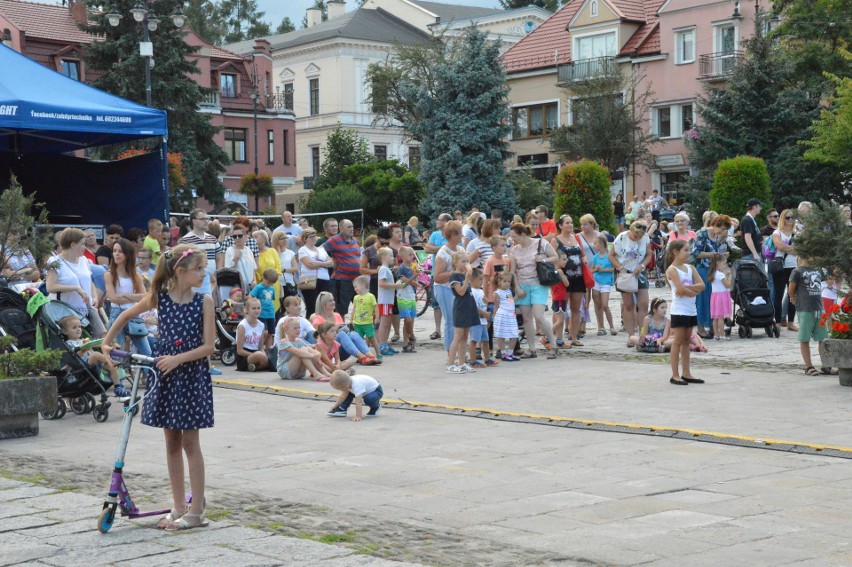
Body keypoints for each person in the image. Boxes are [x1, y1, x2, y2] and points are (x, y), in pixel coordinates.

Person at [101, 245, 215, 531]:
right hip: (166, 375)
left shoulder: (204, 301)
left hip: (189, 376)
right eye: (198, 269)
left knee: (191, 442)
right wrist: (107, 341)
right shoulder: (159, 299)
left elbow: (209, 346)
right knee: (172, 443)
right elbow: (125, 315)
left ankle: (197, 509)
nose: (203, 274)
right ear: (180, 271)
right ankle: (178, 506)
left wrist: (178, 359)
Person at [509, 223, 558, 359]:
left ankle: (553, 345)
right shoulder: (514, 250)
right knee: (526, 319)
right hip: (523, 285)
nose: (513, 240)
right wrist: (517, 288)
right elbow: (513, 271)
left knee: (539, 316)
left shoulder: (540, 243)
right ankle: (532, 349)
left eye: (514, 237)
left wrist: (542, 259)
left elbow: (555, 257)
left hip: (538, 284)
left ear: (523, 235)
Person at [45, 228, 107, 338]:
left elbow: (89, 282)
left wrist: (94, 297)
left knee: (96, 341)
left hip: (85, 312)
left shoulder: (83, 260)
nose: (85, 247)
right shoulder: (54, 261)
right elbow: (50, 287)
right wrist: (76, 288)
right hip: (66, 314)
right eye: (82, 244)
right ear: (73, 245)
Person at [57, 314, 127, 399]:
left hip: (95, 363)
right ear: (65, 332)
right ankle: (112, 361)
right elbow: (73, 359)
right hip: (82, 366)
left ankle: (118, 387)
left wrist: (109, 344)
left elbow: (96, 344)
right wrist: (83, 350)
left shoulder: (83, 340)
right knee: (95, 355)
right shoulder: (69, 344)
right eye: (74, 327)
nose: (78, 329)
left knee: (112, 367)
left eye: (79, 326)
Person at [666, 240, 705, 386]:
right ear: (676, 252)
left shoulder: (690, 268)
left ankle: (687, 373)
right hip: (679, 310)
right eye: (685, 250)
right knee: (677, 341)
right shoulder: (672, 270)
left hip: (690, 309)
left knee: (687, 341)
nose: (688, 253)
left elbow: (702, 285)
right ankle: (675, 375)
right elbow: (679, 290)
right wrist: (691, 291)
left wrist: (688, 290)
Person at [104, 237, 152, 356]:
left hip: (133, 313)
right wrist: (134, 297)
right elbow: (114, 298)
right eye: (114, 251)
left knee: (147, 353)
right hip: (117, 313)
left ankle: (149, 374)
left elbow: (146, 296)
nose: (116, 254)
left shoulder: (136, 276)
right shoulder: (109, 274)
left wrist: (125, 295)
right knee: (117, 353)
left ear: (127, 254)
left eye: (120, 251)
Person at [789, 256, 833, 376]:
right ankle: (809, 366)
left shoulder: (818, 270)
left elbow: (830, 281)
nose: (817, 257)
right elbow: (791, 287)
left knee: (823, 338)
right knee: (804, 338)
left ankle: (826, 365)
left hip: (818, 309)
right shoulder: (797, 271)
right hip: (805, 309)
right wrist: (792, 297)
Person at [609, 221, 652, 340]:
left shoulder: (645, 238)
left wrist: (642, 265)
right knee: (628, 306)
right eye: (635, 236)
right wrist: (620, 268)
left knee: (643, 304)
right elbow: (611, 255)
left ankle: (642, 334)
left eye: (640, 236)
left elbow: (649, 255)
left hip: (640, 273)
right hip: (626, 274)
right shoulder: (621, 238)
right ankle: (631, 335)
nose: (637, 238)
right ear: (631, 231)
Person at [691, 215, 732, 338]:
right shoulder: (703, 233)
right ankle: (700, 327)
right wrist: (713, 254)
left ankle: (713, 326)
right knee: (702, 298)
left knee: (711, 297)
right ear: (716, 225)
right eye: (722, 228)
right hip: (702, 269)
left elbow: (715, 253)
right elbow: (696, 253)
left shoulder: (718, 237)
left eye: (725, 229)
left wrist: (721, 255)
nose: (722, 231)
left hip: (712, 269)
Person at [312, 291, 377, 364]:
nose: (333, 302)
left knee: (353, 334)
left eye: (333, 300)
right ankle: (362, 357)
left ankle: (370, 356)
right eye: (330, 301)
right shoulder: (318, 319)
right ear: (323, 304)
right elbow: (319, 339)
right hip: (330, 352)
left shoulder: (337, 315)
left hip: (345, 348)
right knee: (341, 334)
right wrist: (336, 328)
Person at [551, 215, 586, 348]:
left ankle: (574, 337)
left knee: (576, 309)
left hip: (578, 277)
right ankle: (558, 338)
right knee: (561, 309)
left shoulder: (576, 238)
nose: (570, 225)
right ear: (560, 226)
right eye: (567, 223)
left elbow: (582, 254)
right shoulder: (555, 241)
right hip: (562, 278)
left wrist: (584, 259)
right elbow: (552, 259)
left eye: (571, 222)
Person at [433, 220, 465, 350]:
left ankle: (457, 350)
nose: (462, 236)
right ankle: (450, 351)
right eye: (460, 233)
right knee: (451, 321)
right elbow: (437, 276)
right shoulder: (443, 253)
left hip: (457, 288)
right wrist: (455, 272)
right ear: (453, 235)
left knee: (458, 320)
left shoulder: (461, 249)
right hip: (443, 288)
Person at [178, 210, 222, 301]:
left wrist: (217, 275)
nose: (206, 221)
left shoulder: (213, 238)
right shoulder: (185, 240)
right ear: (193, 221)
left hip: (212, 283)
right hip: (194, 285)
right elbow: (182, 263)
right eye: (202, 219)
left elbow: (219, 259)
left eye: (207, 218)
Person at [447, 251, 478, 373]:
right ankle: (450, 364)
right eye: (463, 261)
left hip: (468, 306)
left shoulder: (465, 275)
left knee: (465, 337)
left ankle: (462, 363)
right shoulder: (455, 276)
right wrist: (466, 279)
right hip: (460, 308)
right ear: (456, 263)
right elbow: (460, 292)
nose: (466, 264)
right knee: (458, 337)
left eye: (467, 261)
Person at [323, 219, 361, 316]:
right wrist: (331, 259)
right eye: (349, 227)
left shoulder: (355, 240)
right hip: (342, 280)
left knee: (361, 307)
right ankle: (340, 329)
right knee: (340, 310)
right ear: (341, 228)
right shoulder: (335, 240)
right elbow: (320, 250)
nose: (352, 229)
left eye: (352, 226)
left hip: (357, 280)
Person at [425, 213, 452, 340]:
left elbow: (453, 249)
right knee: (435, 303)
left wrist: (435, 249)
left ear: (446, 222)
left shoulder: (451, 235)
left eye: (439, 220)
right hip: (435, 273)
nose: (437, 221)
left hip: (449, 274)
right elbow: (427, 249)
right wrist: (443, 248)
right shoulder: (435, 234)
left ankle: (449, 327)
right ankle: (437, 330)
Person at [771, 209, 799, 332]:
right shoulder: (777, 233)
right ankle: (777, 321)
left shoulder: (796, 233)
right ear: (783, 218)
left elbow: (802, 248)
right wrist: (793, 249)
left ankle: (791, 321)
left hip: (794, 266)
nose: (790, 220)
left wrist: (789, 248)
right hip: (781, 266)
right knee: (779, 294)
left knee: (793, 294)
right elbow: (780, 246)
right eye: (787, 218)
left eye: (792, 218)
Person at [276, 317, 327, 381]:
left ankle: (325, 373)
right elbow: (298, 352)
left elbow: (311, 348)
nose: (298, 330)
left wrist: (317, 353)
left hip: (299, 373)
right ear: (287, 330)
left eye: (299, 327)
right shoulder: (284, 342)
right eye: (295, 328)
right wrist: (314, 356)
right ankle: (316, 374)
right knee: (303, 351)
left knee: (307, 348)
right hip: (286, 372)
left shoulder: (299, 341)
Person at [298, 228, 333, 318]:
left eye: (315, 236)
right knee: (312, 306)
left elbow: (332, 263)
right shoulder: (303, 250)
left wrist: (319, 263)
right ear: (305, 239)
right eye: (311, 236)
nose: (314, 238)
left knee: (325, 305)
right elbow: (309, 265)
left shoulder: (321, 249)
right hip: (310, 280)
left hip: (324, 279)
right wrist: (325, 264)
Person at [467, 268, 496, 368]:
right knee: (474, 340)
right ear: (472, 280)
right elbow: (473, 306)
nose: (482, 282)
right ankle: (473, 360)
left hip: (482, 320)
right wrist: (484, 313)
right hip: (476, 320)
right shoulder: (472, 291)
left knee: (485, 340)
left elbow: (482, 303)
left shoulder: (480, 291)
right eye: (480, 280)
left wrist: (487, 302)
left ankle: (487, 359)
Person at [376, 247, 400, 357]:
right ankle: (381, 345)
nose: (393, 258)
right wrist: (396, 285)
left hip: (388, 300)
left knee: (387, 322)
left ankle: (384, 344)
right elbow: (382, 283)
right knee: (384, 323)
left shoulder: (386, 269)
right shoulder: (384, 269)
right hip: (384, 300)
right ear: (383, 257)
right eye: (390, 255)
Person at [351, 276, 381, 363]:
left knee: (372, 338)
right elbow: (354, 309)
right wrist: (351, 319)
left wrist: (377, 317)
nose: (355, 289)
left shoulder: (370, 296)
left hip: (367, 323)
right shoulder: (356, 298)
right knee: (359, 340)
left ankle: (379, 354)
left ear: (363, 285)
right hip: (358, 323)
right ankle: (362, 356)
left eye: (356, 287)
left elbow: (376, 307)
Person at [590, 234, 616, 336]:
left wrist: (603, 270)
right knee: (597, 303)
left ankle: (612, 326)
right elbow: (591, 271)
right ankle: (601, 327)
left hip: (606, 282)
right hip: (596, 281)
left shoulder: (609, 256)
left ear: (601, 244)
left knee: (605, 305)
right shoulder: (595, 257)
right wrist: (596, 270)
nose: (594, 245)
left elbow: (614, 268)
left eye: (595, 243)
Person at [235, 296, 269, 371]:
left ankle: (256, 367)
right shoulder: (242, 326)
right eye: (254, 308)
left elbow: (260, 347)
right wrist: (256, 355)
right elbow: (239, 351)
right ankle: (259, 365)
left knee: (264, 355)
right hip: (244, 356)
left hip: (257, 352)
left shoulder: (261, 325)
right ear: (247, 309)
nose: (257, 311)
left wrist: (263, 354)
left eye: (258, 308)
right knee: (260, 356)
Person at [492, 272, 521, 362]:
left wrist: (517, 297)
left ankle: (510, 352)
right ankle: (503, 353)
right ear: (499, 281)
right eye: (505, 281)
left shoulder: (508, 291)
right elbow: (496, 306)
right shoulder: (497, 293)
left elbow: (510, 302)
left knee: (514, 334)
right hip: (502, 315)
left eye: (509, 281)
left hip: (510, 315)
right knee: (501, 335)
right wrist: (495, 316)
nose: (507, 283)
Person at [396, 246, 418, 353]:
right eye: (410, 254)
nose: (412, 256)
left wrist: (416, 277)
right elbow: (403, 283)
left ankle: (407, 342)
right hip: (403, 297)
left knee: (410, 320)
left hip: (411, 296)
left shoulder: (412, 267)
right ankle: (412, 336)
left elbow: (415, 283)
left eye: (412, 254)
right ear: (403, 256)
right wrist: (414, 278)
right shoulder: (402, 268)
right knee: (407, 319)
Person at [249, 269, 278, 348]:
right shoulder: (258, 287)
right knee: (263, 332)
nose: (269, 285)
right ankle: (260, 348)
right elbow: (250, 297)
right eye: (268, 282)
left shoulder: (272, 288)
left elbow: (270, 300)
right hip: (261, 314)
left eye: (272, 283)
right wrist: (255, 307)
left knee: (271, 333)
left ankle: (268, 351)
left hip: (271, 314)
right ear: (263, 278)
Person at [253, 230, 280, 314]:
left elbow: (278, 267)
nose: (253, 239)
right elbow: (254, 270)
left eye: (255, 237)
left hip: (274, 284)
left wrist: (272, 277)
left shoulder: (272, 251)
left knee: (274, 308)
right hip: (261, 285)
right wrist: (261, 278)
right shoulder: (253, 254)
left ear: (264, 239)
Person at [224, 225, 257, 292]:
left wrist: (255, 281)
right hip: (238, 287)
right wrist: (236, 258)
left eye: (240, 236)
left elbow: (253, 268)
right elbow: (228, 270)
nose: (237, 238)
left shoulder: (248, 250)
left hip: (251, 286)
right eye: (234, 236)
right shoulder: (230, 250)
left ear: (245, 236)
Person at [709, 254, 733, 341]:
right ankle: (722, 335)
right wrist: (729, 276)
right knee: (721, 317)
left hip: (715, 296)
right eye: (724, 264)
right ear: (718, 263)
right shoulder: (720, 274)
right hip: (722, 296)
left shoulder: (713, 273)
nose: (725, 266)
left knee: (715, 317)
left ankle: (716, 334)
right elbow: (727, 285)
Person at [549, 250, 570, 348]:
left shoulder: (551, 271)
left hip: (555, 297)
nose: (566, 261)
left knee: (559, 320)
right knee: (560, 321)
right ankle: (547, 336)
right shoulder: (560, 271)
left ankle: (559, 340)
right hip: (560, 298)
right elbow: (567, 284)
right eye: (564, 259)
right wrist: (565, 277)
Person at [271, 231, 298, 304]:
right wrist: (278, 255)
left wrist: (284, 270)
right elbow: (273, 266)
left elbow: (295, 268)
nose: (285, 240)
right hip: (277, 283)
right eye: (282, 238)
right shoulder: (271, 253)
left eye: (286, 238)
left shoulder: (290, 253)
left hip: (288, 283)